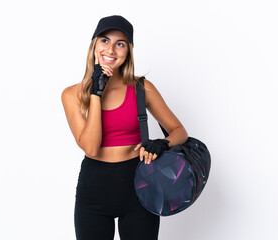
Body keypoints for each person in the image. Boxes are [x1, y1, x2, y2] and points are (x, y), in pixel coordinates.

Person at [61, 15, 188, 240]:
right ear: (94, 46)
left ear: (128, 51)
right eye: (105, 40)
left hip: (139, 186)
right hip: (94, 189)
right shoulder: (72, 94)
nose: (111, 49)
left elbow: (179, 131)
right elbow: (90, 149)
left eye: (120, 43)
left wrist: (162, 143)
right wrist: (96, 94)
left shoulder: (142, 88)